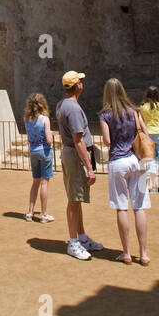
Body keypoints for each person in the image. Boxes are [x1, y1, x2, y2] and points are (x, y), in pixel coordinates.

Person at [99, 78, 152, 265]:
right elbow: (145, 134)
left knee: (121, 207)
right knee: (139, 207)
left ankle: (126, 252)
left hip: (118, 161)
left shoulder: (105, 115)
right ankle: (144, 253)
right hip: (136, 161)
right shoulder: (134, 112)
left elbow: (106, 140)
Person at [54, 70, 103, 260]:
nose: (83, 83)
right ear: (77, 86)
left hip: (70, 153)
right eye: (81, 81)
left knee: (77, 197)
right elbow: (78, 140)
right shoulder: (73, 108)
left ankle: (81, 237)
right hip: (75, 155)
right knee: (74, 200)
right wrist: (89, 167)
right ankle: (73, 242)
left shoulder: (62, 104)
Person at [23, 93, 55, 223]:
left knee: (35, 182)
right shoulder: (44, 119)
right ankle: (43, 214)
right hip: (45, 151)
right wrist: (51, 135)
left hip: (33, 151)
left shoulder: (27, 120)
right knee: (44, 182)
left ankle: (30, 212)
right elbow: (49, 139)